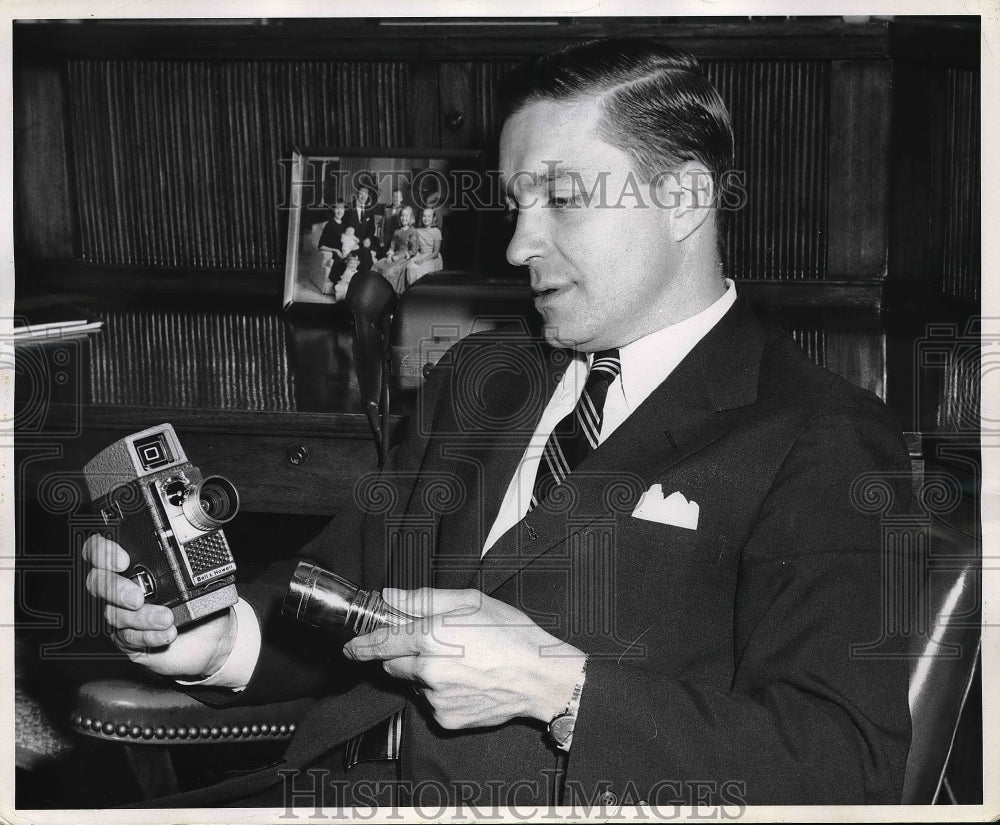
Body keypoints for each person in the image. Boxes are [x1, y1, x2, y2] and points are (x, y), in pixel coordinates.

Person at [81, 38, 911, 809]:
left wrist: (561, 688)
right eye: (518, 202)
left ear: (686, 196)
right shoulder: (480, 379)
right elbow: (334, 587)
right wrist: (213, 640)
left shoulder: (820, 436)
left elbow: (844, 766)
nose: (519, 244)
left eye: (561, 197)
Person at [373, 203, 417, 293]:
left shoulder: (412, 231)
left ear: (410, 217)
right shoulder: (396, 231)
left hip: (405, 257)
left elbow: (413, 250)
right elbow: (392, 246)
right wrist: (389, 256)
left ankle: (389, 293)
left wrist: (400, 256)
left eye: (406, 216)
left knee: (389, 272)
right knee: (377, 266)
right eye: (402, 216)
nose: (404, 218)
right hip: (395, 255)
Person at [404, 207, 444, 286]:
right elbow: (414, 245)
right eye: (424, 216)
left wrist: (422, 260)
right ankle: (412, 291)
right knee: (410, 266)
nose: (426, 218)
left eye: (429, 216)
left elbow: (435, 253)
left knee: (420, 270)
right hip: (420, 254)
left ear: (433, 218)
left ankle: (420, 292)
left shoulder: (436, 231)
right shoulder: (417, 230)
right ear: (421, 217)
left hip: (431, 257)